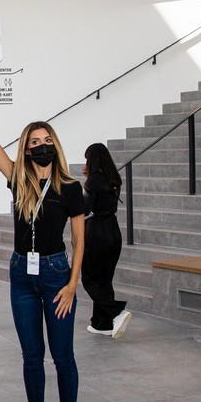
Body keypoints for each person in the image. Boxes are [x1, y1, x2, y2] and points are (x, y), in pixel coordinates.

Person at [0, 70, 85, 402]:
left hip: (56, 276)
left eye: (47, 140)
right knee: (32, 356)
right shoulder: (18, 178)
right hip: (21, 274)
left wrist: (72, 284)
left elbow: (80, 240)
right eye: (35, 142)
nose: (42, 145)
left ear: (55, 145)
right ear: (26, 149)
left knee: (62, 355)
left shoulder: (70, 187)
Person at [81, 143, 132, 339]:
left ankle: (116, 311)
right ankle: (101, 324)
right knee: (104, 280)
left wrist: (85, 185)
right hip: (113, 231)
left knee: (89, 278)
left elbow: (85, 210)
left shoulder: (94, 181)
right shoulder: (114, 179)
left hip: (97, 233)